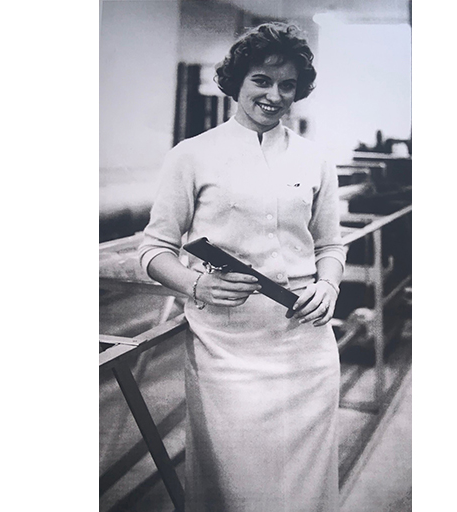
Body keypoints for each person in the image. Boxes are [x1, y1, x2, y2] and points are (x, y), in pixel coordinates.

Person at [139, 22, 344, 512]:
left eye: (287, 85)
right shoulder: (191, 156)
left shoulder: (315, 159)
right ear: (237, 81)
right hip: (226, 349)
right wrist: (196, 286)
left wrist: (330, 285)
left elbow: (330, 245)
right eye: (262, 81)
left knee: (304, 488)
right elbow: (154, 250)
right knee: (239, 485)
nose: (274, 95)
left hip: (305, 345)